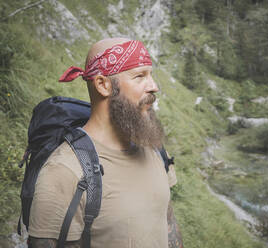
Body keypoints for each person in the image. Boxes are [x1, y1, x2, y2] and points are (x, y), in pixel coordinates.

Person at [28, 37, 183, 248]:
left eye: (151, 75)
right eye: (139, 76)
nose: (154, 86)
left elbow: (167, 223)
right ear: (103, 85)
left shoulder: (153, 148)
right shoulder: (65, 171)